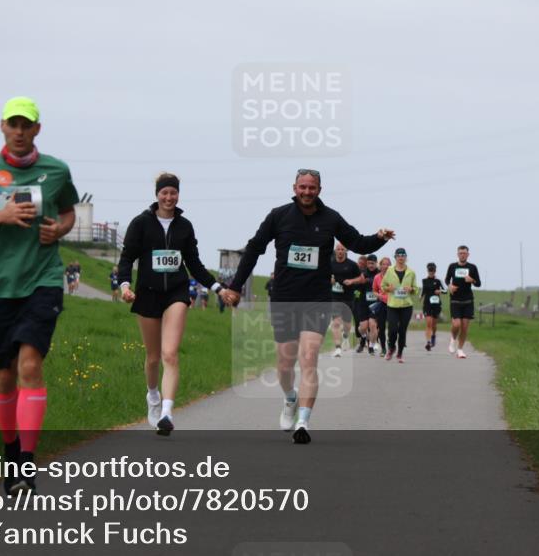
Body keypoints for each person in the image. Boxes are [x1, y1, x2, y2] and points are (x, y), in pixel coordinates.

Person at [0, 96, 78, 494]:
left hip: (42, 280)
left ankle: (25, 462)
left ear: (37, 129)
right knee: (5, 373)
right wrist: (0, 217)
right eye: (14, 124)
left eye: (27, 125)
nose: (20, 132)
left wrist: (59, 230)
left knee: (29, 366)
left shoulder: (55, 170)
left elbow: (69, 211)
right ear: (2, 126)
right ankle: (10, 448)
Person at [221, 169, 394, 444]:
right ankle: (290, 399)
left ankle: (303, 420)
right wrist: (235, 285)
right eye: (302, 187)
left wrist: (380, 237)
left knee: (309, 357)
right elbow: (254, 248)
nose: (307, 192)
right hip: (285, 298)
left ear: (320, 190)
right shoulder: (279, 216)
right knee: (285, 362)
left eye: (312, 188)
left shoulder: (331, 218)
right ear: (294, 187)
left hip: (317, 299)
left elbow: (358, 242)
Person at [118, 173, 224, 435]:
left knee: (170, 354)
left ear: (178, 195)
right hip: (147, 293)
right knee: (153, 358)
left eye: (173, 193)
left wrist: (217, 287)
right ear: (157, 194)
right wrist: (125, 286)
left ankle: (166, 412)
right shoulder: (141, 223)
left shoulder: (184, 226)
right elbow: (127, 258)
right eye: (164, 193)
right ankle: (153, 396)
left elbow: (194, 263)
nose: (169, 197)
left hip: (176, 292)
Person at [380, 248, 417, 362]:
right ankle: (391, 348)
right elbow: (383, 286)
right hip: (392, 305)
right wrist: (388, 288)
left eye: (403, 255)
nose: (401, 257)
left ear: (406, 257)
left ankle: (400, 353)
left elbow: (415, 290)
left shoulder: (411, 272)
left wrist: (411, 289)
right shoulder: (389, 271)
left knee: (402, 330)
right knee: (392, 329)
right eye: (399, 255)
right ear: (395, 257)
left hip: (406, 306)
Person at [445, 245, 482, 359]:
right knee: (456, 324)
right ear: (457, 254)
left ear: (468, 254)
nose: (462, 255)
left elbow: (478, 284)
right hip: (455, 299)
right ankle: (452, 339)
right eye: (460, 253)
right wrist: (450, 286)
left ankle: (460, 350)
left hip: (468, 300)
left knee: (465, 328)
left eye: (464, 253)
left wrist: (472, 280)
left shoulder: (472, 267)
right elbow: (447, 279)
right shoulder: (452, 266)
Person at [329, 243, 363, 357]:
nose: (339, 251)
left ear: (345, 251)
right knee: (336, 322)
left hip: (348, 297)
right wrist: (330, 280)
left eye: (342, 249)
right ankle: (337, 348)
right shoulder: (330, 263)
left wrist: (352, 281)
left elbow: (361, 278)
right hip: (334, 297)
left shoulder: (352, 265)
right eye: (338, 249)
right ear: (335, 251)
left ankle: (346, 336)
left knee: (347, 324)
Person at [355, 255, 381, 354]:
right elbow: (355, 287)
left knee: (373, 325)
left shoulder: (379, 274)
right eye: (369, 263)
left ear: (376, 263)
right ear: (367, 264)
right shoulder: (362, 274)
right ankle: (364, 338)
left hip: (375, 304)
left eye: (373, 263)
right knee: (363, 327)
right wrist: (360, 284)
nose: (371, 265)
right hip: (363, 303)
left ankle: (371, 345)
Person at [421, 262, 445, 351]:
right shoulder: (424, 280)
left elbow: (445, 290)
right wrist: (420, 297)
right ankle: (428, 342)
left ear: (435, 270)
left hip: (436, 305)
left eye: (433, 270)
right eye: (430, 270)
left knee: (434, 324)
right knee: (428, 323)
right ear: (427, 270)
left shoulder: (438, 281)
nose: (431, 272)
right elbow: (422, 291)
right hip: (427, 304)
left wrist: (440, 291)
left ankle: (433, 336)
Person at [371, 256, 391, 357]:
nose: (386, 266)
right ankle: (383, 348)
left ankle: (390, 342)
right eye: (384, 264)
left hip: (393, 304)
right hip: (382, 304)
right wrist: (378, 295)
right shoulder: (377, 277)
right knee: (381, 328)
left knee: (393, 327)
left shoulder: (394, 277)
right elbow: (374, 290)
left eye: (388, 264)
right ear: (380, 265)